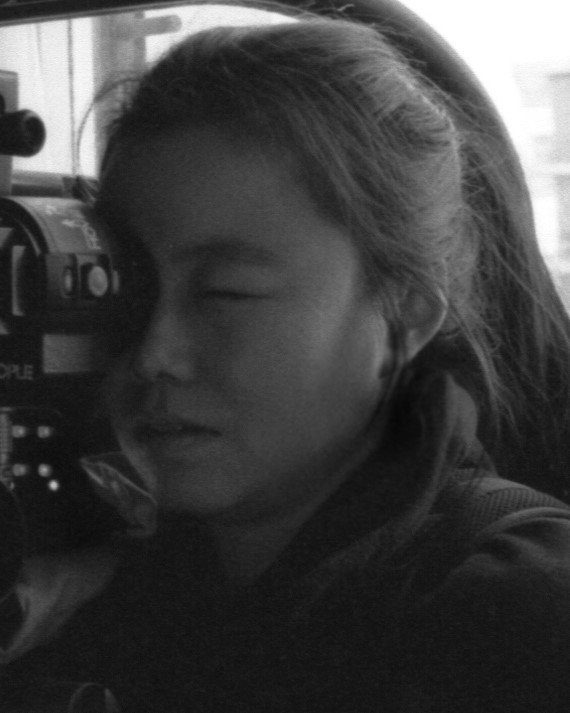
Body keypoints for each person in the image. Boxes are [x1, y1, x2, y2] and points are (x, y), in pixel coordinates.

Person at [2, 13, 570, 713]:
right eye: (129, 286)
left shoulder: (511, 615)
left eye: (225, 292)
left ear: (404, 320)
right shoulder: (100, 591)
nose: (152, 353)